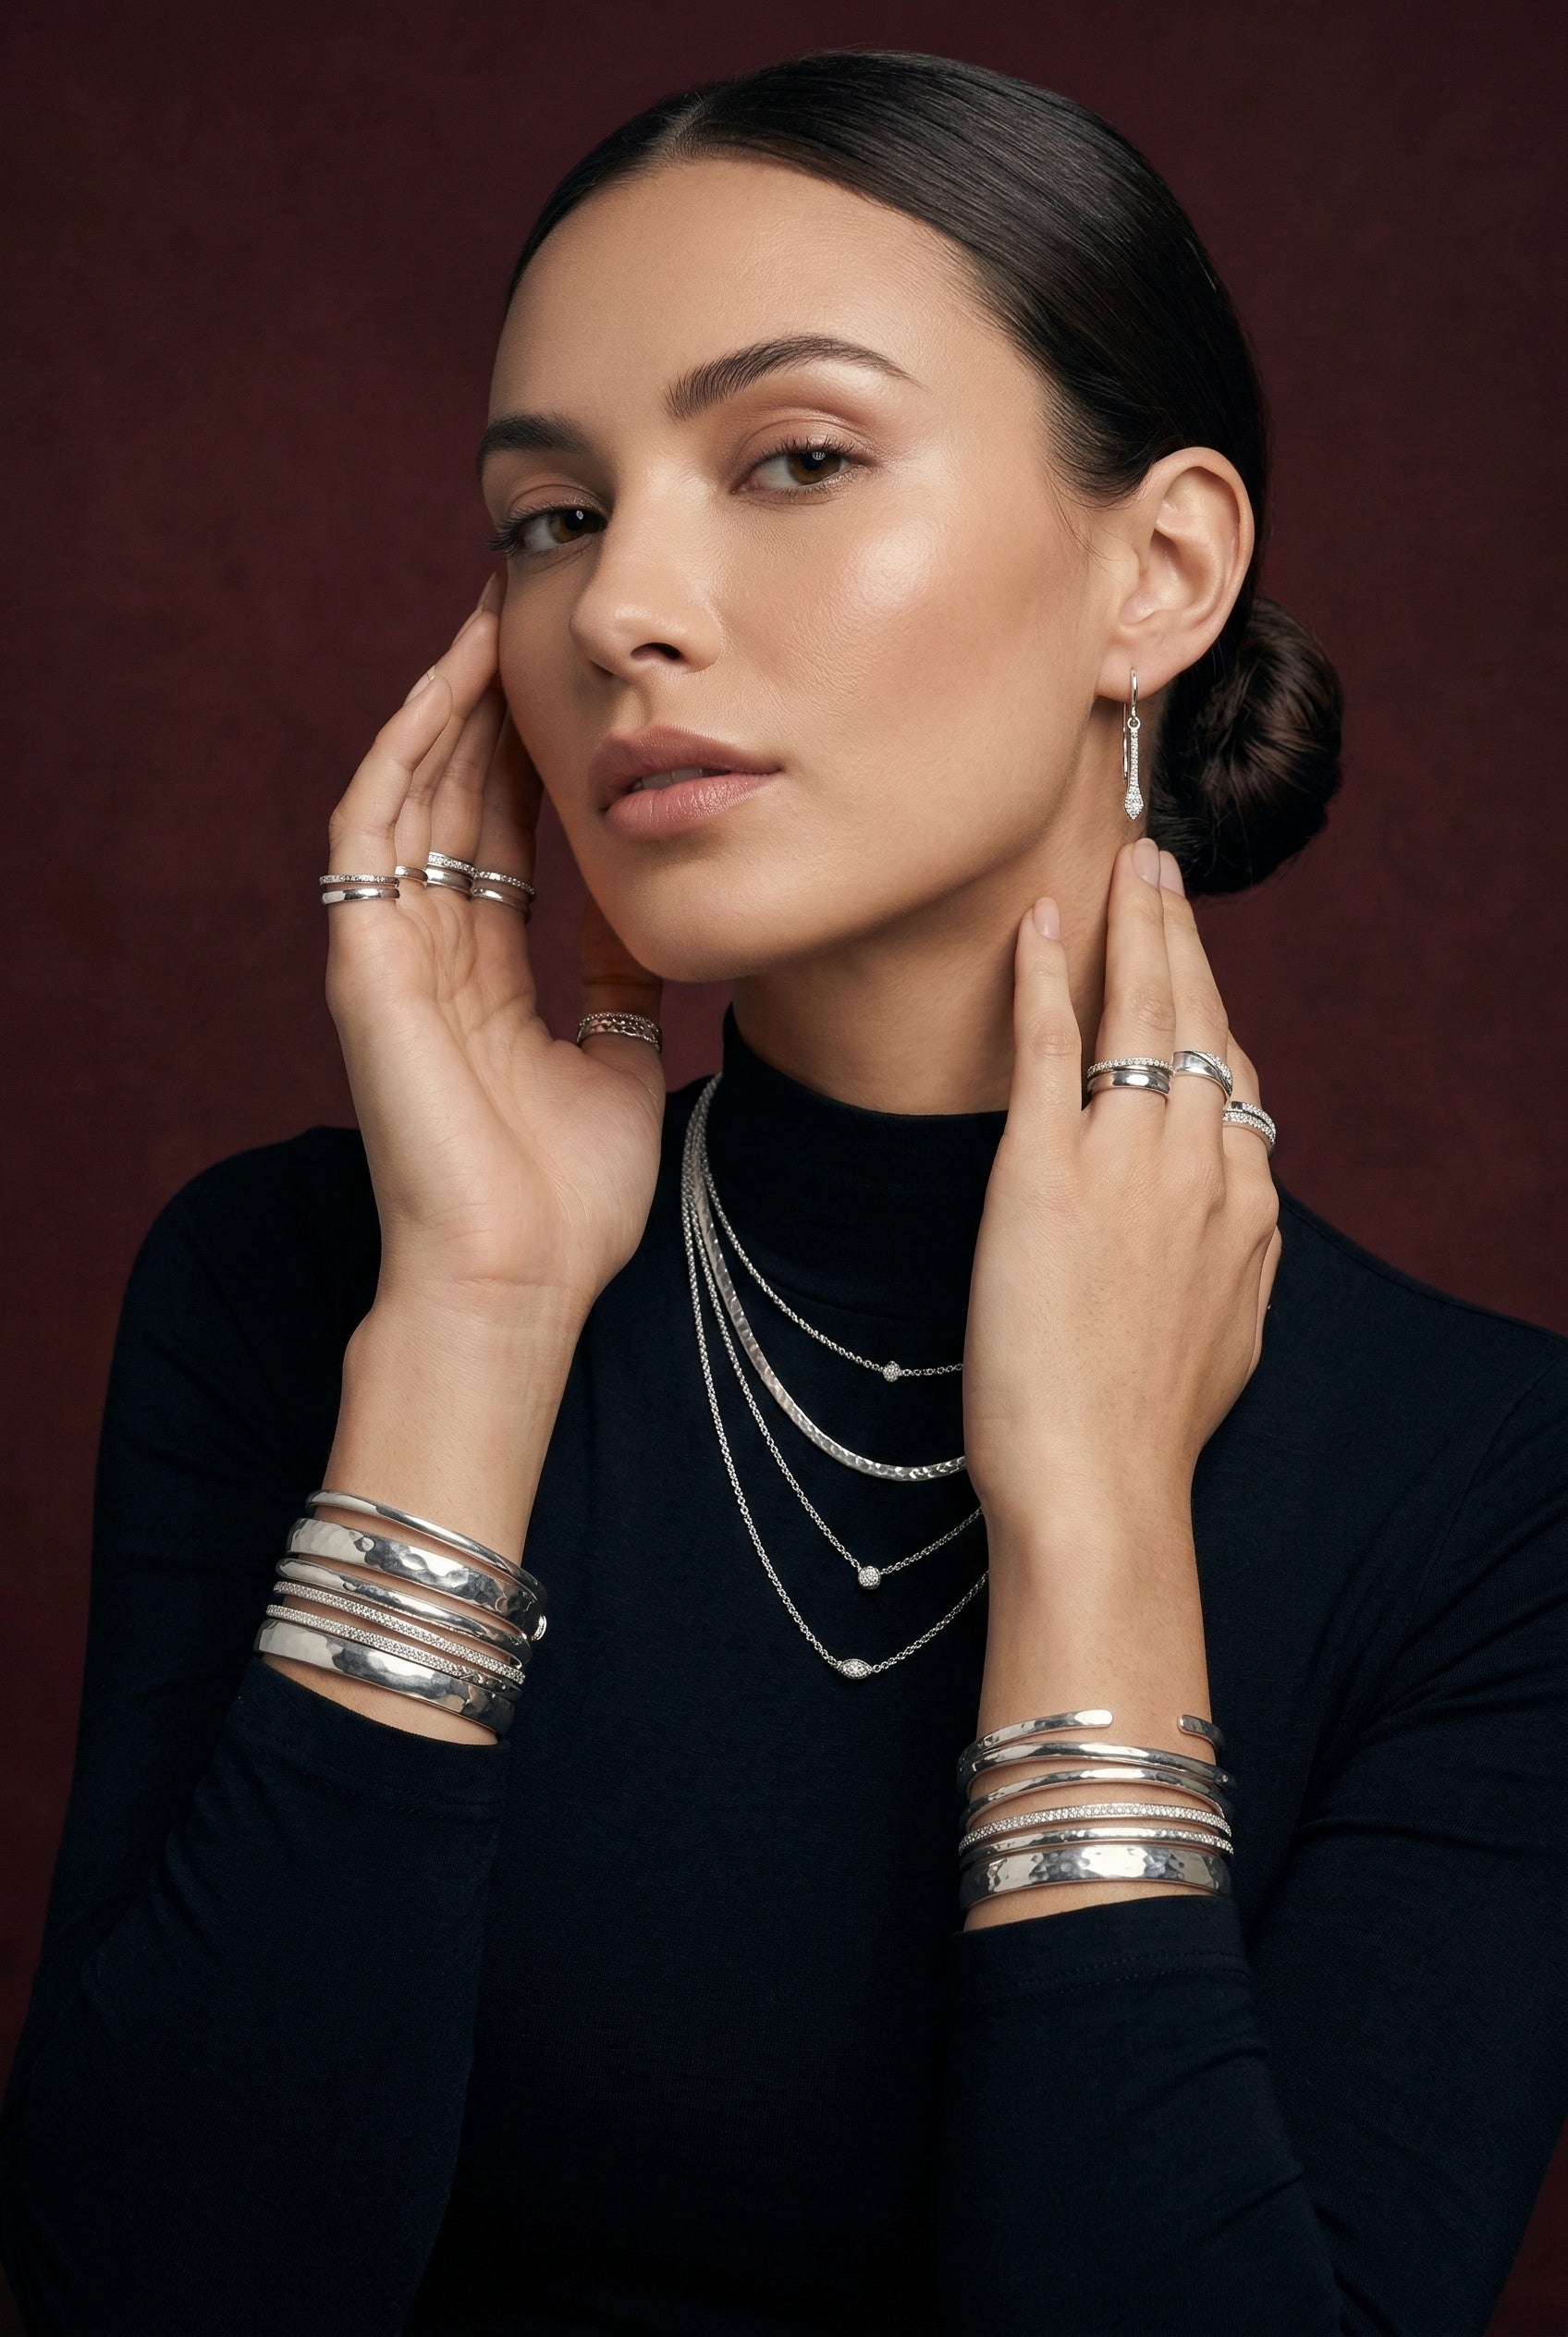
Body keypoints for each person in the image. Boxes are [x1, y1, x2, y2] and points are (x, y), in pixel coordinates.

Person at [3, 47, 1564, 2337]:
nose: (619, 606)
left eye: (795, 459)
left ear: (1155, 571)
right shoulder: (300, 1293)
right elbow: (155, 2290)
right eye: (551, 514)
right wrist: (477, 1323)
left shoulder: (1494, 1495)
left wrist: (1097, 1529)